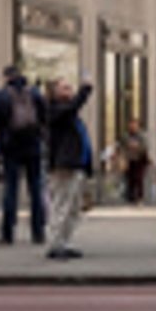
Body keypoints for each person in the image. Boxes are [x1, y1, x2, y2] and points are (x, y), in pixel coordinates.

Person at [0, 66, 47, 246]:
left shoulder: (1, 95)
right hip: (33, 146)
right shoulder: (35, 94)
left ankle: (7, 233)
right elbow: (45, 117)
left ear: (6, 77)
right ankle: (38, 232)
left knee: (10, 189)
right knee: (36, 189)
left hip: (10, 146)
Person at [45, 76, 93, 260]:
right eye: (65, 88)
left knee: (73, 207)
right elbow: (72, 106)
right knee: (62, 205)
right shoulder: (54, 110)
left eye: (70, 87)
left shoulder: (68, 114)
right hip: (64, 163)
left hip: (76, 164)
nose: (70, 91)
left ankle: (64, 241)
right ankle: (55, 243)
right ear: (55, 92)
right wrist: (85, 90)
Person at [123, 119, 149, 204]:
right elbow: (123, 147)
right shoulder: (126, 136)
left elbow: (145, 147)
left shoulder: (142, 135)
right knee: (130, 178)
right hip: (130, 159)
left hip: (139, 159)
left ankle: (140, 197)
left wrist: (137, 146)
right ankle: (131, 197)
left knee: (139, 178)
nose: (132, 127)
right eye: (131, 125)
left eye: (134, 125)